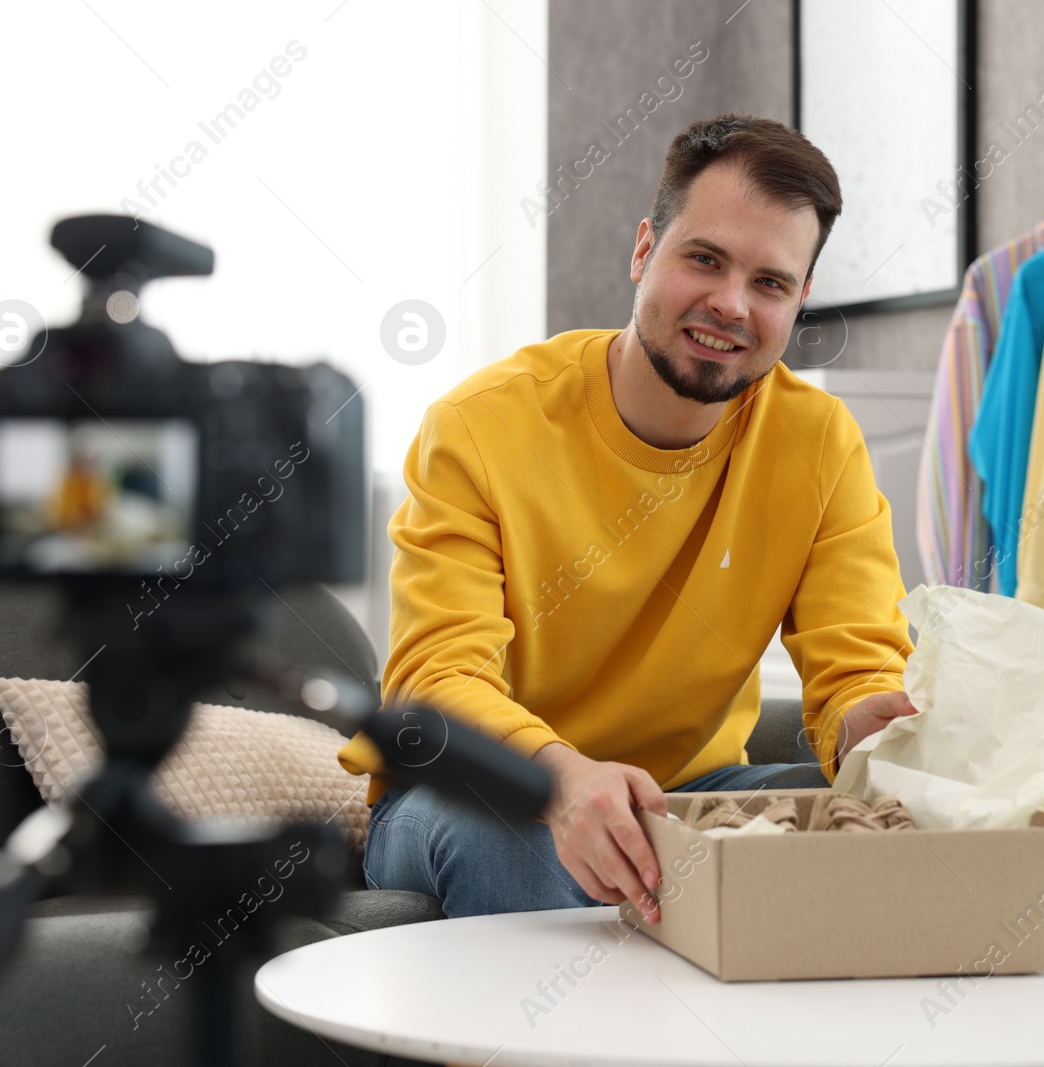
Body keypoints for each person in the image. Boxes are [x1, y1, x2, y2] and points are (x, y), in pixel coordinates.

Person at [340, 113, 918, 922]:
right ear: (645, 249)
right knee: (507, 832)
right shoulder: (479, 426)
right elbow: (438, 682)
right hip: (480, 792)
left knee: (875, 822)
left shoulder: (819, 443)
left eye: (769, 283)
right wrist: (561, 779)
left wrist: (878, 730)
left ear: (799, 301)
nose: (730, 304)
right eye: (705, 259)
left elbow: (854, 666)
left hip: (685, 792)